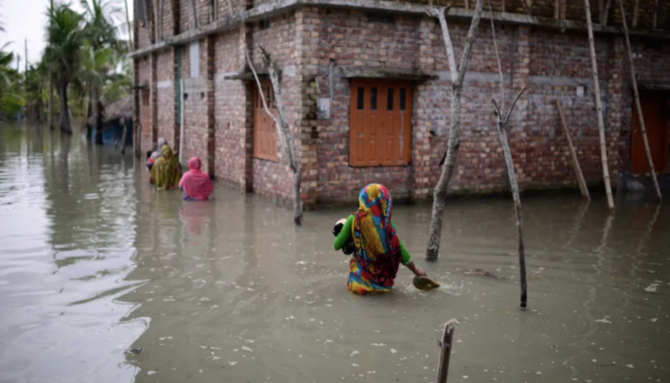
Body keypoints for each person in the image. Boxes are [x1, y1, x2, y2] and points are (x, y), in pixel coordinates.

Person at [333, 183, 427, 295]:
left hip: (359, 284)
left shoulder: (353, 220)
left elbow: (336, 245)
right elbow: (401, 251)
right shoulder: (388, 226)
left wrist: (347, 230)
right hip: (383, 286)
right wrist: (416, 271)